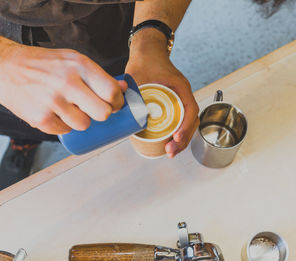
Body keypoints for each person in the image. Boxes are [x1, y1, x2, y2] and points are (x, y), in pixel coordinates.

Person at [0, 0, 200, 184]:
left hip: (100, 31)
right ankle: (24, 143)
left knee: (101, 110)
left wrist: (149, 40)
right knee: (21, 123)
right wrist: (5, 61)